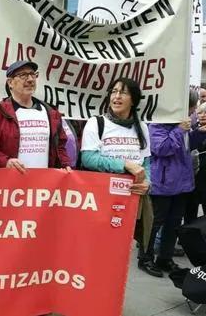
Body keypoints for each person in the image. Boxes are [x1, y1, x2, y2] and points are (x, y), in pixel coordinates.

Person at [80, 78, 153, 275]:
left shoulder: (142, 128)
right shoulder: (97, 123)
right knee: (94, 251)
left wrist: (147, 183)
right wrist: (124, 165)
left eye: (123, 92)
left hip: (129, 200)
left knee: (120, 255)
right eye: (113, 92)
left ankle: (110, 300)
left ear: (134, 100)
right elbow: (88, 158)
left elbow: (146, 162)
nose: (117, 96)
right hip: (101, 198)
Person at [143, 89, 199, 275]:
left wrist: (199, 133)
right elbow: (162, 148)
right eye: (191, 108)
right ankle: (145, 258)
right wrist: (179, 130)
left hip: (181, 183)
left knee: (174, 224)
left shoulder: (185, 123)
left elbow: (188, 146)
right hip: (162, 183)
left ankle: (165, 259)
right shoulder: (157, 123)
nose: (192, 112)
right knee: (155, 223)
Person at [0, 61, 71, 172]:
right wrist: (5, 161)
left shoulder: (51, 113)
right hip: (10, 184)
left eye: (33, 74)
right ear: (10, 82)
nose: (30, 79)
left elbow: (60, 146)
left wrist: (64, 164)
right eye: (23, 75)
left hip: (44, 184)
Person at [188, 102, 206, 224]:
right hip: (192, 179)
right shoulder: (192, 129)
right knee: (190, 213)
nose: (203, 115)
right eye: (200, 112)